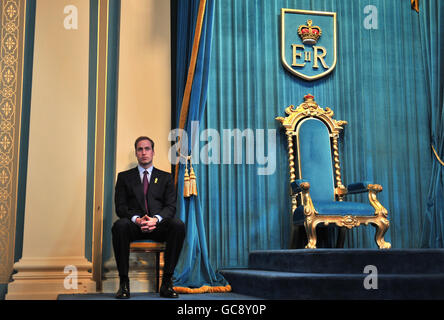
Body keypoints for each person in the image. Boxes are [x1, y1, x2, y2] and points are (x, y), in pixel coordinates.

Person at [112, 136, 185, 299]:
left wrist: (156, 219)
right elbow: (120, 207)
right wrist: (137, 219)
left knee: (178, 225)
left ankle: (166, 283)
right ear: (136, 153)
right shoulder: (124, 177)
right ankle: (124, 283)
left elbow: (171, 207)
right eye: (140, 149)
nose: (144, 152)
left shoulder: (165, 177)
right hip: (135, 227)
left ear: (153, 152)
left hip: (158, 226)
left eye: (147, 149)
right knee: (119, 226)